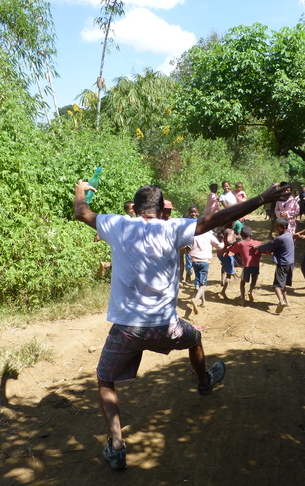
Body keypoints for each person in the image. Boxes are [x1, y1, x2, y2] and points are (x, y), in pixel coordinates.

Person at [74, 179, 290, 470]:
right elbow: (221, 217)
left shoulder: (117, 225)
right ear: (162, 208)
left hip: (126, 329)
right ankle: (204, 382)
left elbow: (81, 212)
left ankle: (116, 444)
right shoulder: (173, 228)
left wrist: (80, 188)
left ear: (135, 209)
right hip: (167, 326)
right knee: (194, 339)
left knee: (105, 379)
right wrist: (262, 198)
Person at [255, 217, 294, 314]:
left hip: (282, 264)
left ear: (284, 227)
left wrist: (257, 247)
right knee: (283, 284)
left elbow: (269, 246)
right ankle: (287, 301)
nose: (276, 229)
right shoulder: (289, 235)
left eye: (277, 227)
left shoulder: (280, 238)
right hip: (290, 263)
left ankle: (281, 301)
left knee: (277, 285)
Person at [189, 216, 224, 313]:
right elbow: (220, 247)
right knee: (203, 284)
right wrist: (222, 241)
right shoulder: (209, 235)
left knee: (200, 281)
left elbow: (187, 245)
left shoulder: (193, 235)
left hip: (194, 261)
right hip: (204, 262)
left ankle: (203, 301)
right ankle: (195, 300)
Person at [228, 226, 262, 306]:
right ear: (251, 235)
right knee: (254, 280)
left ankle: (243, 300)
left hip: (246, 266)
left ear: (242, 236)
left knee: (242, 283)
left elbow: (233, 250)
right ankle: (250, 290)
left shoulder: (240, 244)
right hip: (256, 266)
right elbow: (265, 250)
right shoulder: (257, 243)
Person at [216, 222, 238, 299]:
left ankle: (222, 281)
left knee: (224, 265)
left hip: (220, 253)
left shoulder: (221, 230)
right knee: (229, 274)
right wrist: (235, 240)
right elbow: (229, 241)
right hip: (228, 254)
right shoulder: (230, 231)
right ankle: (223, 291)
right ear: (232, 223)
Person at [180, 205, 200, 283]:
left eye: (195, 212)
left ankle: (197, 280)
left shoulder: (199, 222)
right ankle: (189, 274)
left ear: (198, 213)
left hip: (197, 245)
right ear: (189, 213)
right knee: (188, 264)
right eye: (191, 212)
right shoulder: (186, 223)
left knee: (197, 263)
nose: (193, 214)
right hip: (188, 245)